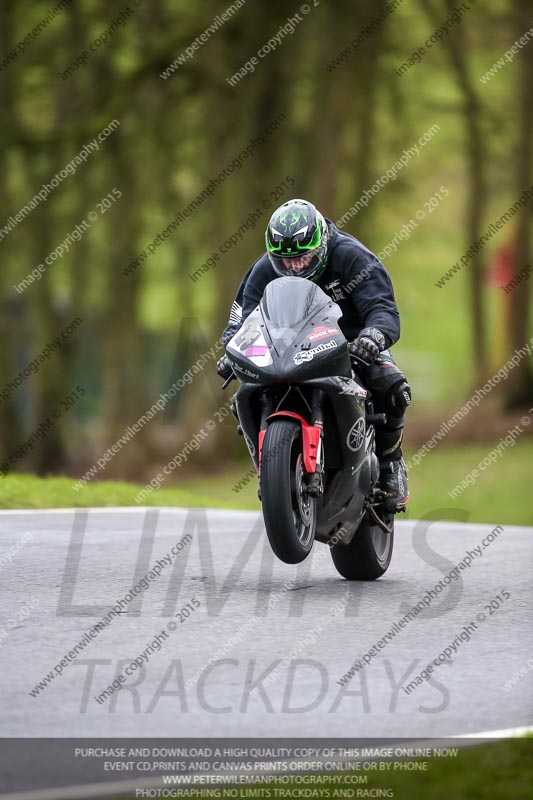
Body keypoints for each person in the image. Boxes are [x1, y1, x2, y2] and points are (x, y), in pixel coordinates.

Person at [217, 198, 411, 510]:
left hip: (351, 344)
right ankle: (273, 471)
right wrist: (231, 350)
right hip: (285, 348)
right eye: (285, 261)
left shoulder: (351, 256)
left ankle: (391, 464)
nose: (294, 266)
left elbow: (383, 308)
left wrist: (373, 336)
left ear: (321, 244)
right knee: (245, 392)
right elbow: (240, 319)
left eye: (304, 259)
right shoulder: (265, 268)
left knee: (392, 385)